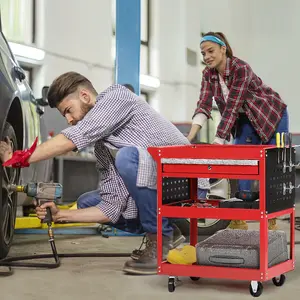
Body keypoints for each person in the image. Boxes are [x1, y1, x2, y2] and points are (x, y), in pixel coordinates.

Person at [0, 72, 208, 275]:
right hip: (161, 184)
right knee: (87, 202)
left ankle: (160, 239)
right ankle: (172, 231)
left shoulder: (116, 96)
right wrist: (61, 215)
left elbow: (74, 137)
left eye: (69, 111)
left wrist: (19, 157)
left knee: (127, 158)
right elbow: (112, 206)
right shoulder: (102, 148)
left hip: (185, 179)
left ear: (84, 96)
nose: (69, 120)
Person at [187, 32, 289, 231]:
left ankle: (271, 217)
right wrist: (188, 137)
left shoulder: (240, 68)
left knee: (273, 165)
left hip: (272, 115)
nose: (207, 56)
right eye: (203, 53)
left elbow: (233, 105)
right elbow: (204, 105)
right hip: (245, 119)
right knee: (240, 162)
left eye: (211, 51)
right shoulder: (208, 75)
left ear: (223, 49)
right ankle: (239, 216)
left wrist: (218, 141)